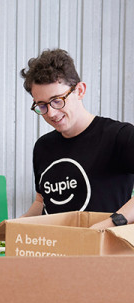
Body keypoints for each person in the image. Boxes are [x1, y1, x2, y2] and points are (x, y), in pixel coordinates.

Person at [20, 48, 134, 229]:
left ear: (80, 90)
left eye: (57, 100)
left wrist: (113, 222)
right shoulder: (43, 146)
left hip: (103, 251)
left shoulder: (119, 136)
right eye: (41, 105)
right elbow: (41, 202)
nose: (51, 113)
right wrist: (10, 227)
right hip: (54, 250)